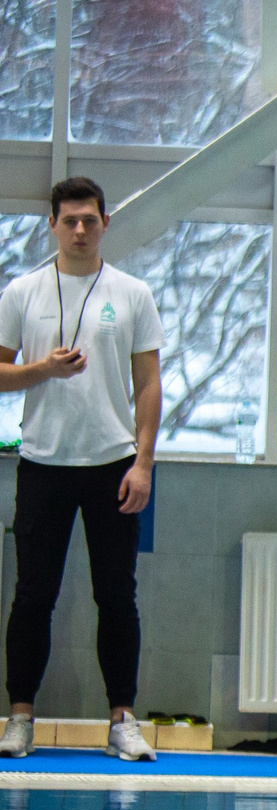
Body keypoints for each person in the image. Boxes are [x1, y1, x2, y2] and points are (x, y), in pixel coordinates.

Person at [0, 178, 163, 761]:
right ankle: (20, 717)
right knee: (32, 596)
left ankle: (122, 719)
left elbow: (148, 383)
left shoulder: (132, 292)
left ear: (105, 223)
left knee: (117, 595)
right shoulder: (22, 292)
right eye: (68, 221)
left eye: (88, 220)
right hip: (43, 462)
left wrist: (143, 462)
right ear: (51, 225)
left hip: (114, 464)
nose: (78, 231)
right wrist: (42, 369)